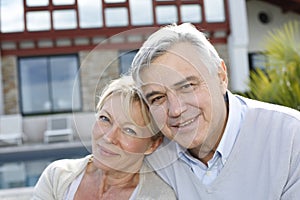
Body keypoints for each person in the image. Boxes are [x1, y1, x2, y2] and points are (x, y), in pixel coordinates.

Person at [130, 23, 300, 199]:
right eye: (157, 98)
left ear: (221, 77)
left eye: (187, 86)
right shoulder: (154, 156)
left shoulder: (291, 138)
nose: (176, 109)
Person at [32, 75, 176, 199]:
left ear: (153, 145)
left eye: (129, 130)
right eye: (105, 119)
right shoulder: (57, 176)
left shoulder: (159, 196)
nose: (108, 137)